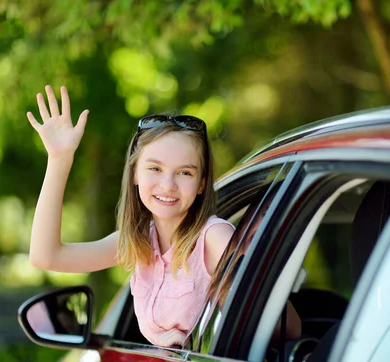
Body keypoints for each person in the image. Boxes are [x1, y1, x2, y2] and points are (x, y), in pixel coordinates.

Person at [27, 86, 300, 348]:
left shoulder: (215, 240)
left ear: (202, 183)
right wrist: (59, 159)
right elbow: (46, 256)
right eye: (155, 168)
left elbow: (285, 327)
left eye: (185, 173)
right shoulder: (138, 242)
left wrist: (196, 342)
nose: (168, 185)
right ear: (135, 173)